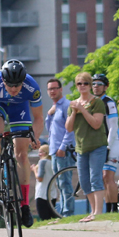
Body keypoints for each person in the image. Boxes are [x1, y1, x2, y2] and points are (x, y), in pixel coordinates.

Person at [0, 59, 44, 229]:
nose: (14, 90)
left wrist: (34, 137)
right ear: (3, 81)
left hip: (19, 109)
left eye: (17, 86)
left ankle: (25, 206)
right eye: (10, 86)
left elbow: (38, 118)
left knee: (21, 154)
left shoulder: (32, 87)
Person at [65, 72, 107, 221]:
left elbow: (96, 124)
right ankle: (92, 211)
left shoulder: (97, 102)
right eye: (79, 84)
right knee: (84, 180)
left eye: (85, 83)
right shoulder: (73, 104)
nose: (82, 86)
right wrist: (75, 112)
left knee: (95, 177)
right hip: (81, 147)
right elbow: (69, 128)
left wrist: (82, 110)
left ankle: (98, 213)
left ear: (90, 85)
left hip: (97, 145)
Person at [43, 77, 74, 217]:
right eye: (50, 89)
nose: (52, 91)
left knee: (65, 181)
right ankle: (63, 211)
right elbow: (50, 130)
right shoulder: (54, 108)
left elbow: (70, 130)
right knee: (59, 183)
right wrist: (49, 115)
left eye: (55, 88)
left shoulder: (67, 105)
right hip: (54, 150)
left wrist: (63, 147)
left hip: (63, 150)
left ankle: (68, 212)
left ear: (61, 89)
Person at [92, 73, 119, 212]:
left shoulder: (108, 102)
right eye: (93, 83)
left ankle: (114, 209)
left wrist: (109, 146)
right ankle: (108, 209)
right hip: (100, 143)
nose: (96, 86)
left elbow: (113, 126)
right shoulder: (92, 102)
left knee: (108, 176)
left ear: (105, 87)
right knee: (103, 178)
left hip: (113, 142)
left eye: (99, 84)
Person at [34, 143, 55, 221]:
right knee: (52, 217)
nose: (39, 154)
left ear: (46, 153)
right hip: (52, 193)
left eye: (41, 152)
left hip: (42, 194)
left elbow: (40, 178)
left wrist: (34, 170)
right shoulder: (52, 162)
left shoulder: (42, 162)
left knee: (44, 218)